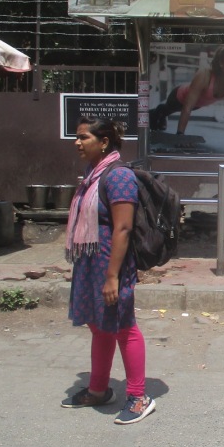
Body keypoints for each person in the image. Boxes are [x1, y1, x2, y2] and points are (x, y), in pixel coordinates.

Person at [60, 116, 155, 425]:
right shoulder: (92, 176)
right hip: (91, 262)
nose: (77, 142)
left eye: (84, 137)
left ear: (103, 142)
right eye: (77, 137)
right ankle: (99, 389)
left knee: (123, 326)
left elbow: (123, 229)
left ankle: (139, 397)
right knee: (99, 325)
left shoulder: (118, 177)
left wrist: (112, 276)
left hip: (110, 263)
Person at [149, 45, 224, 141]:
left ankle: (160, 114)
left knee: (168, 111)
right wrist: (180, 135)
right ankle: (157, 112)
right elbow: (187, 108)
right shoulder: (204, 75)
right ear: (221, 63)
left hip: (197, 104)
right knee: (168, 109)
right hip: (178, 97)